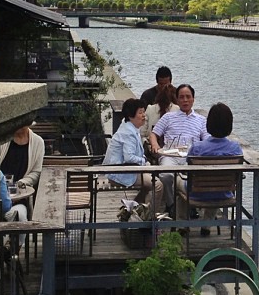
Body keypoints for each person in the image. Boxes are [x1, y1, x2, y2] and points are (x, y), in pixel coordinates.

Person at [176, 103, 243, 236]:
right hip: (224, 193)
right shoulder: (235, 149)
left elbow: (186, 170)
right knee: (217, 184)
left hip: (196, 194)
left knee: (177, 181)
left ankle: (182, 223)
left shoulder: (198, 147)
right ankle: (206, 224)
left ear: (209, 124)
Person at [149, 84, 209, 215]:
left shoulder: (201, 120)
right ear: (176, 99)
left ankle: (191, 204)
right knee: (166, 175)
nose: (185, 100)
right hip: (170, 155)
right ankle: (171, 204)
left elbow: (207, 140)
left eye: (188, 97)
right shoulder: (168, 117)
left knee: (196, 175)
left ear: (193, 99)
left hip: (191, 158)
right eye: (181, 97)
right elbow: (153, 134)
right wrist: (155, 145)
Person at [103, 98, 164, 214]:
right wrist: (144, 161)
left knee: (148, 185)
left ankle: (131, 211)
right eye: (140, 113)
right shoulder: (128, 133)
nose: (144, 116)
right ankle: (149, 218)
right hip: (121, 172)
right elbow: (129, 158)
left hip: (123, 169)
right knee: (158, 185)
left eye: (143, 112)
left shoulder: (128, 126)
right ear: (131, 116)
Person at [0, 124, 45, 189]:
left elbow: (36, 172)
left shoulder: (38, 142)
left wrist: (21, 183)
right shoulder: (2, 139)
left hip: (22, 192)